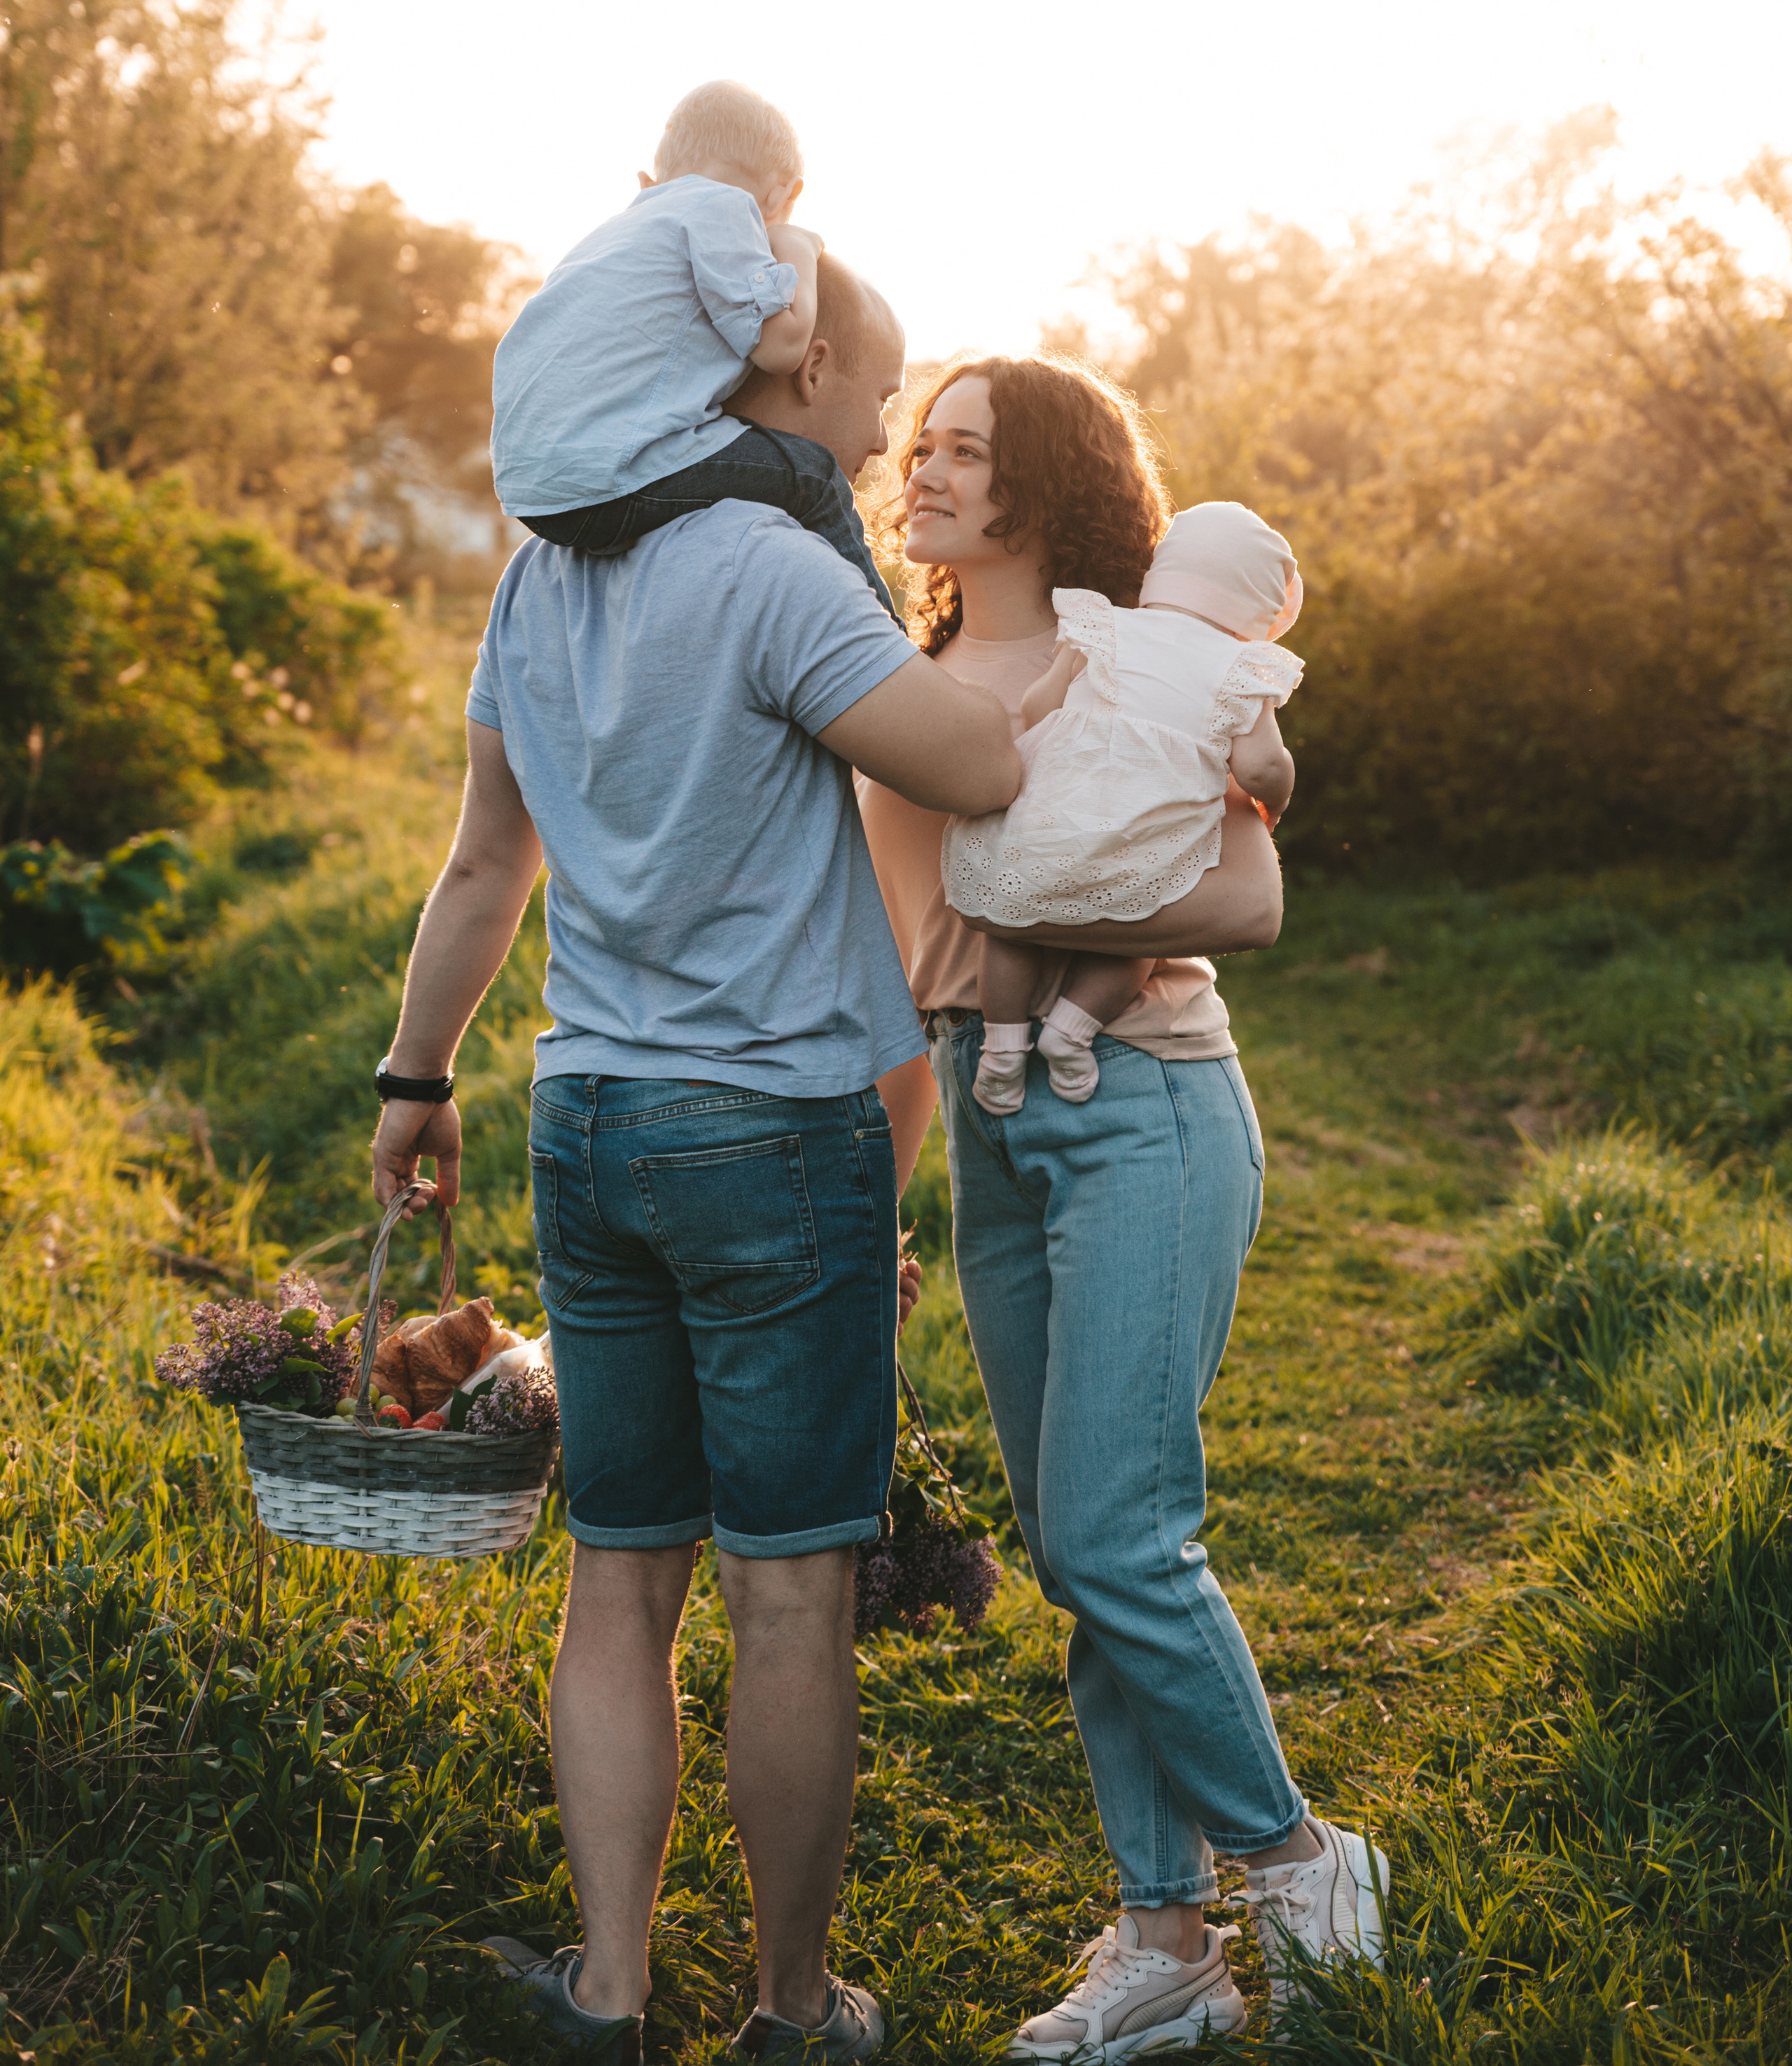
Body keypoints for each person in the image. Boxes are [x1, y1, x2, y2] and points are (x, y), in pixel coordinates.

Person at [370, 265, 1016, 2062]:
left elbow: (483, 869)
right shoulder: (774, 570)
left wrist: (412, 1071)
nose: (881, 436)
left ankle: (606, 1993)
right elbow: (971, 761)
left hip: (587, 1119)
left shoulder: (536, 571)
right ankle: (796, 2011)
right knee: (791, 1587)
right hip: (770, 1124)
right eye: (872, 391)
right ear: (799, 364)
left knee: (619, 1571)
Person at [858, 355, 1388, 2053]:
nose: (923, 470)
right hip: (989, 1110)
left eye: (964, 450)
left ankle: (1302, 1864)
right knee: (1075, 1540)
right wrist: (884, 1181)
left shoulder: (1129, 652)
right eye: (922, 444)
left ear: (1045, 485)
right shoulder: (902, 667)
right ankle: (1164, 1937)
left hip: (1141, 1093)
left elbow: (1248, 884)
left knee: (1114, 1528)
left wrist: (1075, 895)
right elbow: (889, 943)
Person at [946, 500, 1304, 1113]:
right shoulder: (1241, 665)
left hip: (1056, 820)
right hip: (1147, 835)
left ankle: (1002, 1047)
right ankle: (1071, 1029)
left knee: (1012, 917)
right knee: (1143, 927)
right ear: (1259, 612)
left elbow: (1037, 705)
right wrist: (1275, 801)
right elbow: (1262, 765)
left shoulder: (1105, 624)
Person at [490, 77, 895, 610]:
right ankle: (887, 643)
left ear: (648, 181)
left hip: (532, 493)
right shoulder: (724, 208)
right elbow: (782, 347)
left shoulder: (616, 233)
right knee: (814, 476)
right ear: (784, 195)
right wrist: (797, 246)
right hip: (606, 476)